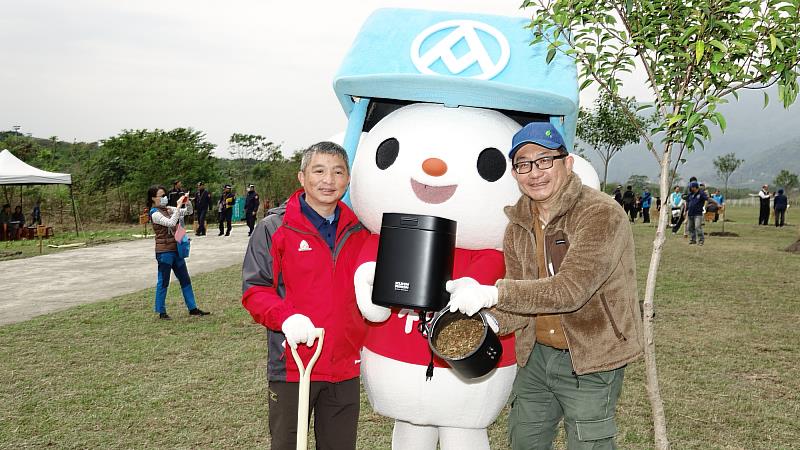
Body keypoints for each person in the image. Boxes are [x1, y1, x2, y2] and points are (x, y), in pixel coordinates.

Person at [446, 122, 643, 449]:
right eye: (523, 164)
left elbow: (570, 290)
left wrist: (492, 291)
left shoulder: (601, 214)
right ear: (515, 173)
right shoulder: (517, 227)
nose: (534, 172)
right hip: (536, 355)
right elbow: (524, 301)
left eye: (544, 160)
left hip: (591, 356)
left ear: (567, 163)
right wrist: (487, 320)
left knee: (588, 443)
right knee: (525, 440)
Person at [241, 142, 370, 450]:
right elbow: (255, 290)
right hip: (293, 364)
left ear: (348, 179)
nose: (329, 180)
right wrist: (287, 318)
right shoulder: (274, 227)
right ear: (302, 177)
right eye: (319, 170)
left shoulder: (360, 230)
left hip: (344, 367)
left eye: (338, 172)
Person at [146, 185, 210, 320]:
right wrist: (179, 206)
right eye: (161, 196)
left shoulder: (169, 209)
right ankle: (161, 311)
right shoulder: (154, 213)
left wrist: (187, 202)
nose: (164, 198)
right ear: (153, 198)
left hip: (176, 250)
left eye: (165, 195)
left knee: (185, 280)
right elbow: (170, 222)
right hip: (164, 252)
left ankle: (193, 308)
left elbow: (188, 212)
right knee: (163, 281)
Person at [685, 181, 707, 245]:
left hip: (698, 214)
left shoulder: (701, 193)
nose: (690, 188)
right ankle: (693, 239)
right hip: (690, 213)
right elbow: (687, 201)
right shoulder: (690, 194)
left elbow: (707, 199)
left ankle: (701, 240)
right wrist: (685, 211)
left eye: (691, 187)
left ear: (695, 187)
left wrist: (716, 204)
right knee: (690, 228)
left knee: (697, 227)